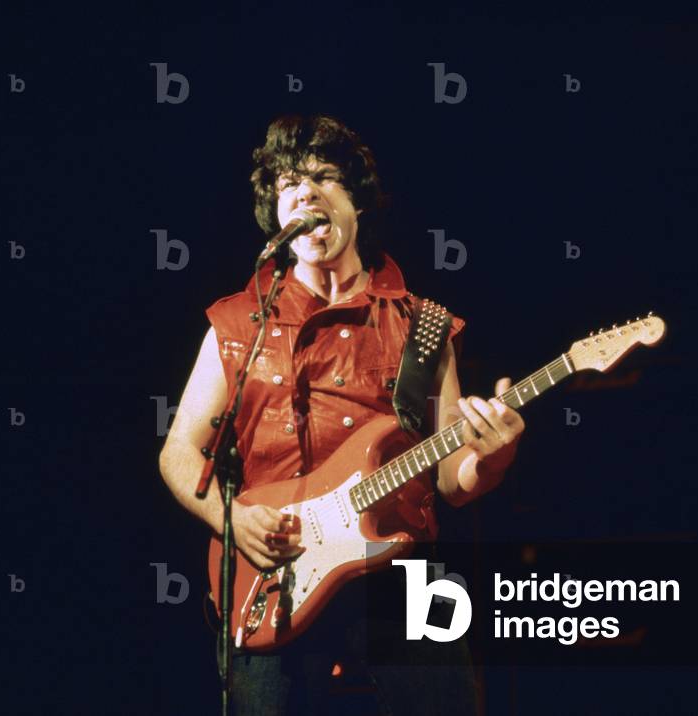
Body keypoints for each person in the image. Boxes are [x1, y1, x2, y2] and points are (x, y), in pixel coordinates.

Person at [159, 114, 525, 714]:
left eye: (324, 178)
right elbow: (177, 452)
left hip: (398, 563)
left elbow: (454, 480)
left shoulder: (423, 325)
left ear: (357, 203)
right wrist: (230, 521)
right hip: (272, 569)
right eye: (287, 186)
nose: (303, 193)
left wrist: (493, 457)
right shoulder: (236, 325)